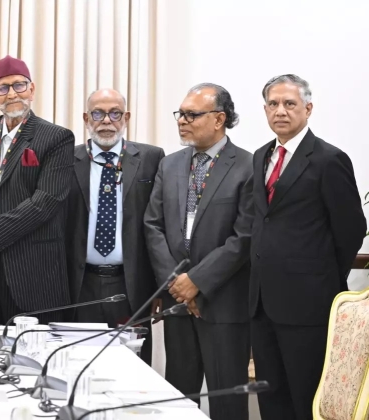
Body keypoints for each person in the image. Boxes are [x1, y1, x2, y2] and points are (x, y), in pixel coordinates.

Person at [250, 74, 366, 420]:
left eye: (290, 104)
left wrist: (319, 276)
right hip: (262, 303)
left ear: (308, 109)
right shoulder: (261, 156)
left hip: (309, 306)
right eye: (273, 104)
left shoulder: (329, 159)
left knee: (306, 399)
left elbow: (352, 229)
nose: (280, 111)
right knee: (271, 400)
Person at [143, 84, 253, 420]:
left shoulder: (248, 166)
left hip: (223, 303)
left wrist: (198, 282)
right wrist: (178, 284)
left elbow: (244, 237)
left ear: (219, 119)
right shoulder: (170, 164)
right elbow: (153, 225)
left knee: (227, 402)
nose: (182, 121)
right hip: (178, 302)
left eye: (192, 115)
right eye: (180, 114)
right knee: (179, 399)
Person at [0, 55, 75, 329]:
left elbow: (44, 203)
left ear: (32, 89)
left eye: (19, 85)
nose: (12, 94)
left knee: (31, 350)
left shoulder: (56, 137)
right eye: (3, 88)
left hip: (31, 268)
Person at [64, 88, 164, 363]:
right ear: (86, 118)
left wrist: (161, 288)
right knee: (80, 364)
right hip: (80, 284)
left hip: (132, 286)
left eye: (115, 113)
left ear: (126, 117)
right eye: (97, 114)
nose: (106, 121)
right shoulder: (66, 160)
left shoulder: (152, 158)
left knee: (132, 367)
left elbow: (160, 224)